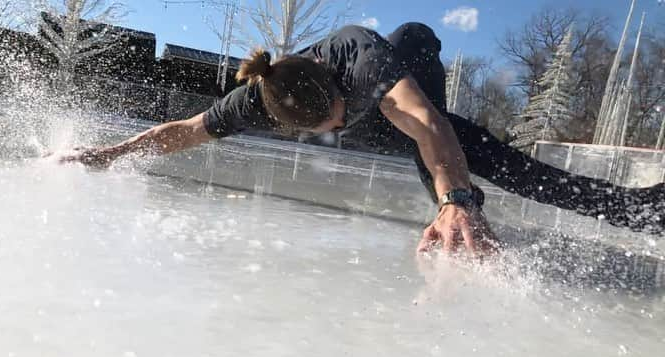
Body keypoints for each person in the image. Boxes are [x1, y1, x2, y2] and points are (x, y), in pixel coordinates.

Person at [57, 22, 665, 254]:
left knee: (449, 122)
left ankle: (642, 210)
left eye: (340, 116)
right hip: (396, 119)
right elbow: (183, 131)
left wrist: (456, 200)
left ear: (336, 84)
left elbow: (426, 124)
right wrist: (109, 154)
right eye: (328, 128)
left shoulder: (361, 58)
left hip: (411, 86)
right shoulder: (255, 101)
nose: (338, 130)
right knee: (426, 156)